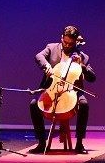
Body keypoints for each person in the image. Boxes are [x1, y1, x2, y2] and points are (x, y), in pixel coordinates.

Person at [29, 25, 96, 154]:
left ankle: (79, 143)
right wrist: (47, 66)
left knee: (84, 104)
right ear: (62, 38)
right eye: (65, 42)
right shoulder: (51, 48)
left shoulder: (82, 56)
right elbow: (39, 56)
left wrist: (81, 65)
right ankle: (41, 143)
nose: (67, 45)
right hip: (51, 88)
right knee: (33, 104)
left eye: (71, 44)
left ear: (75, 42)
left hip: (72, 91)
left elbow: (92, 78)